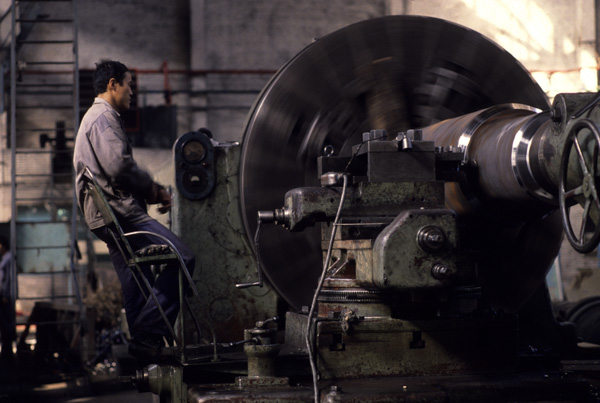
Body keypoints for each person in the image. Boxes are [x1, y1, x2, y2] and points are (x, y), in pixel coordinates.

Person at [73, 61, 195, 363]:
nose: (133, 92)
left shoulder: (96, 118)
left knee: (135, 280)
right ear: (113, 84)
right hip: (121, 215)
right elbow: (119, 167)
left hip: (107, 217)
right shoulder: (103, 118)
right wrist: (154, 190)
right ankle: (147, 333)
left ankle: (142, 348)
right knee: (184, 258)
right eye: (130, 85)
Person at [0, 235, 15, 360]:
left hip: (5, 297)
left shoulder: (8, 258)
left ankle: (7, 353)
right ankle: (6, 351)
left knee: (6, 325)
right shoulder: (5, 259)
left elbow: (8, 279)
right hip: (4, 296)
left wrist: (5, 295)